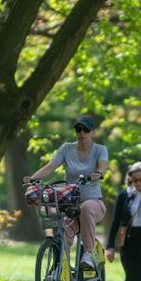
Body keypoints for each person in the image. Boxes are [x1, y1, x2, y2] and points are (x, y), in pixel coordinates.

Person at [24, 115, 107, 271]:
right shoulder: (67, 149)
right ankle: (62, 277)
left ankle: (88, 253)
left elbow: (103, 166)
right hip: (71, 205)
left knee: (87, 207)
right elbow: (50, 167)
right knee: (62, 235)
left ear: (92, 132)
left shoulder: (100, 150)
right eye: (78, 129)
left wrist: (98, 173)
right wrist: (33, 178)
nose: (82, 133)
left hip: (94, 203)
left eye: (86, 130)